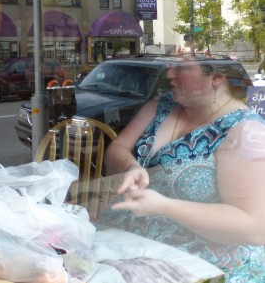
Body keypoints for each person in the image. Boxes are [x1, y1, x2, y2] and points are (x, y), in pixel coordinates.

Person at [102, 56, 265, 282]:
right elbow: (117, 148)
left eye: (183, 68)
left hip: (205, 266)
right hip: (129, 246)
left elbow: (254, 227)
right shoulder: (162, 105)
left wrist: (165, 207)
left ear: (216, 78)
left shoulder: (245, 130)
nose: (169, 74)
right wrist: (131, 166)